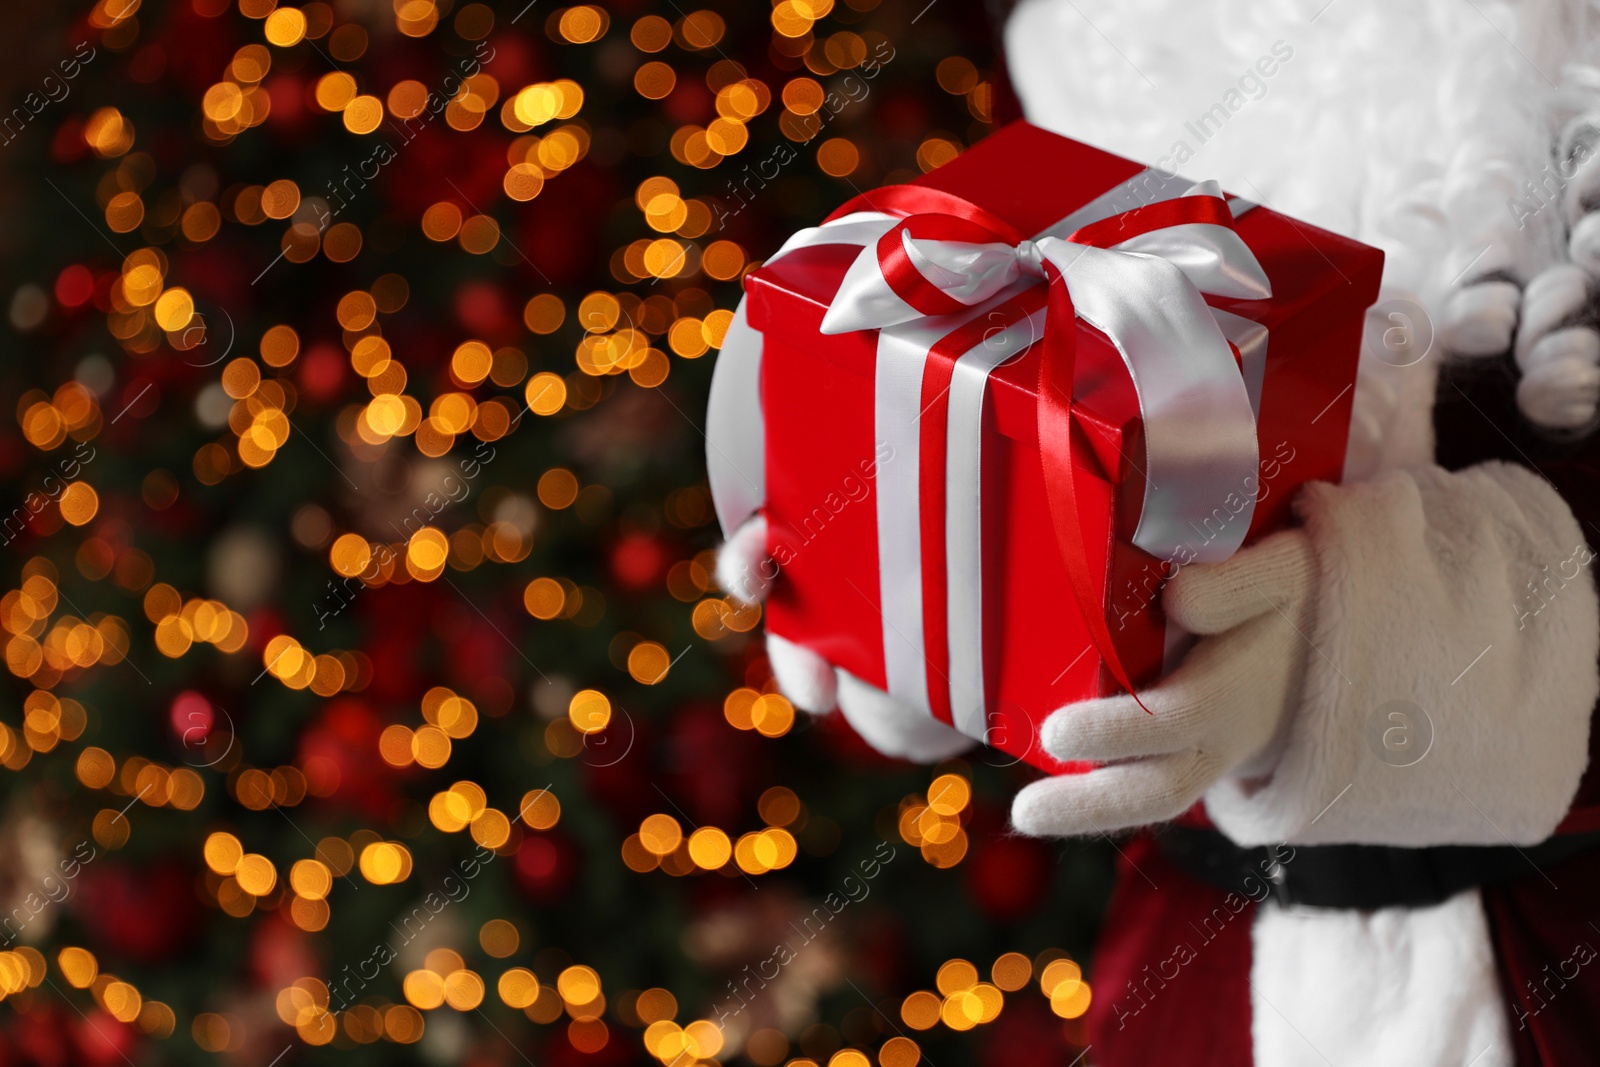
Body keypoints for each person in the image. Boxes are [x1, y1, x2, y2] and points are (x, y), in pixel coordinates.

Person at [720, 1, 1600, 1062]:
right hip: (1199, 973)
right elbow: (1016, 398)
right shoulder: (1081, 35)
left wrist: (1360, 650)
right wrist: (905, 595)